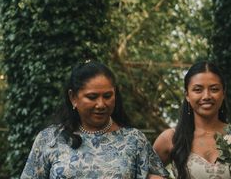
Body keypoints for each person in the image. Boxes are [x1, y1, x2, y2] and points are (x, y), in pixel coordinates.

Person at [21, 60, 169, 179]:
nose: (101, 104)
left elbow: (155, 175)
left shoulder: (134, 140)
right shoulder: (49, 139)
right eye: (92, 97)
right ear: (73, 97)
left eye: (107, 96)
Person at [153, 61, 231, 179]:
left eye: (214, 89)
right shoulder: (170, 138)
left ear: (223, 94)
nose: (206, 96)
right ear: (187, 95)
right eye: (198, 89)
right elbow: (146, 173)